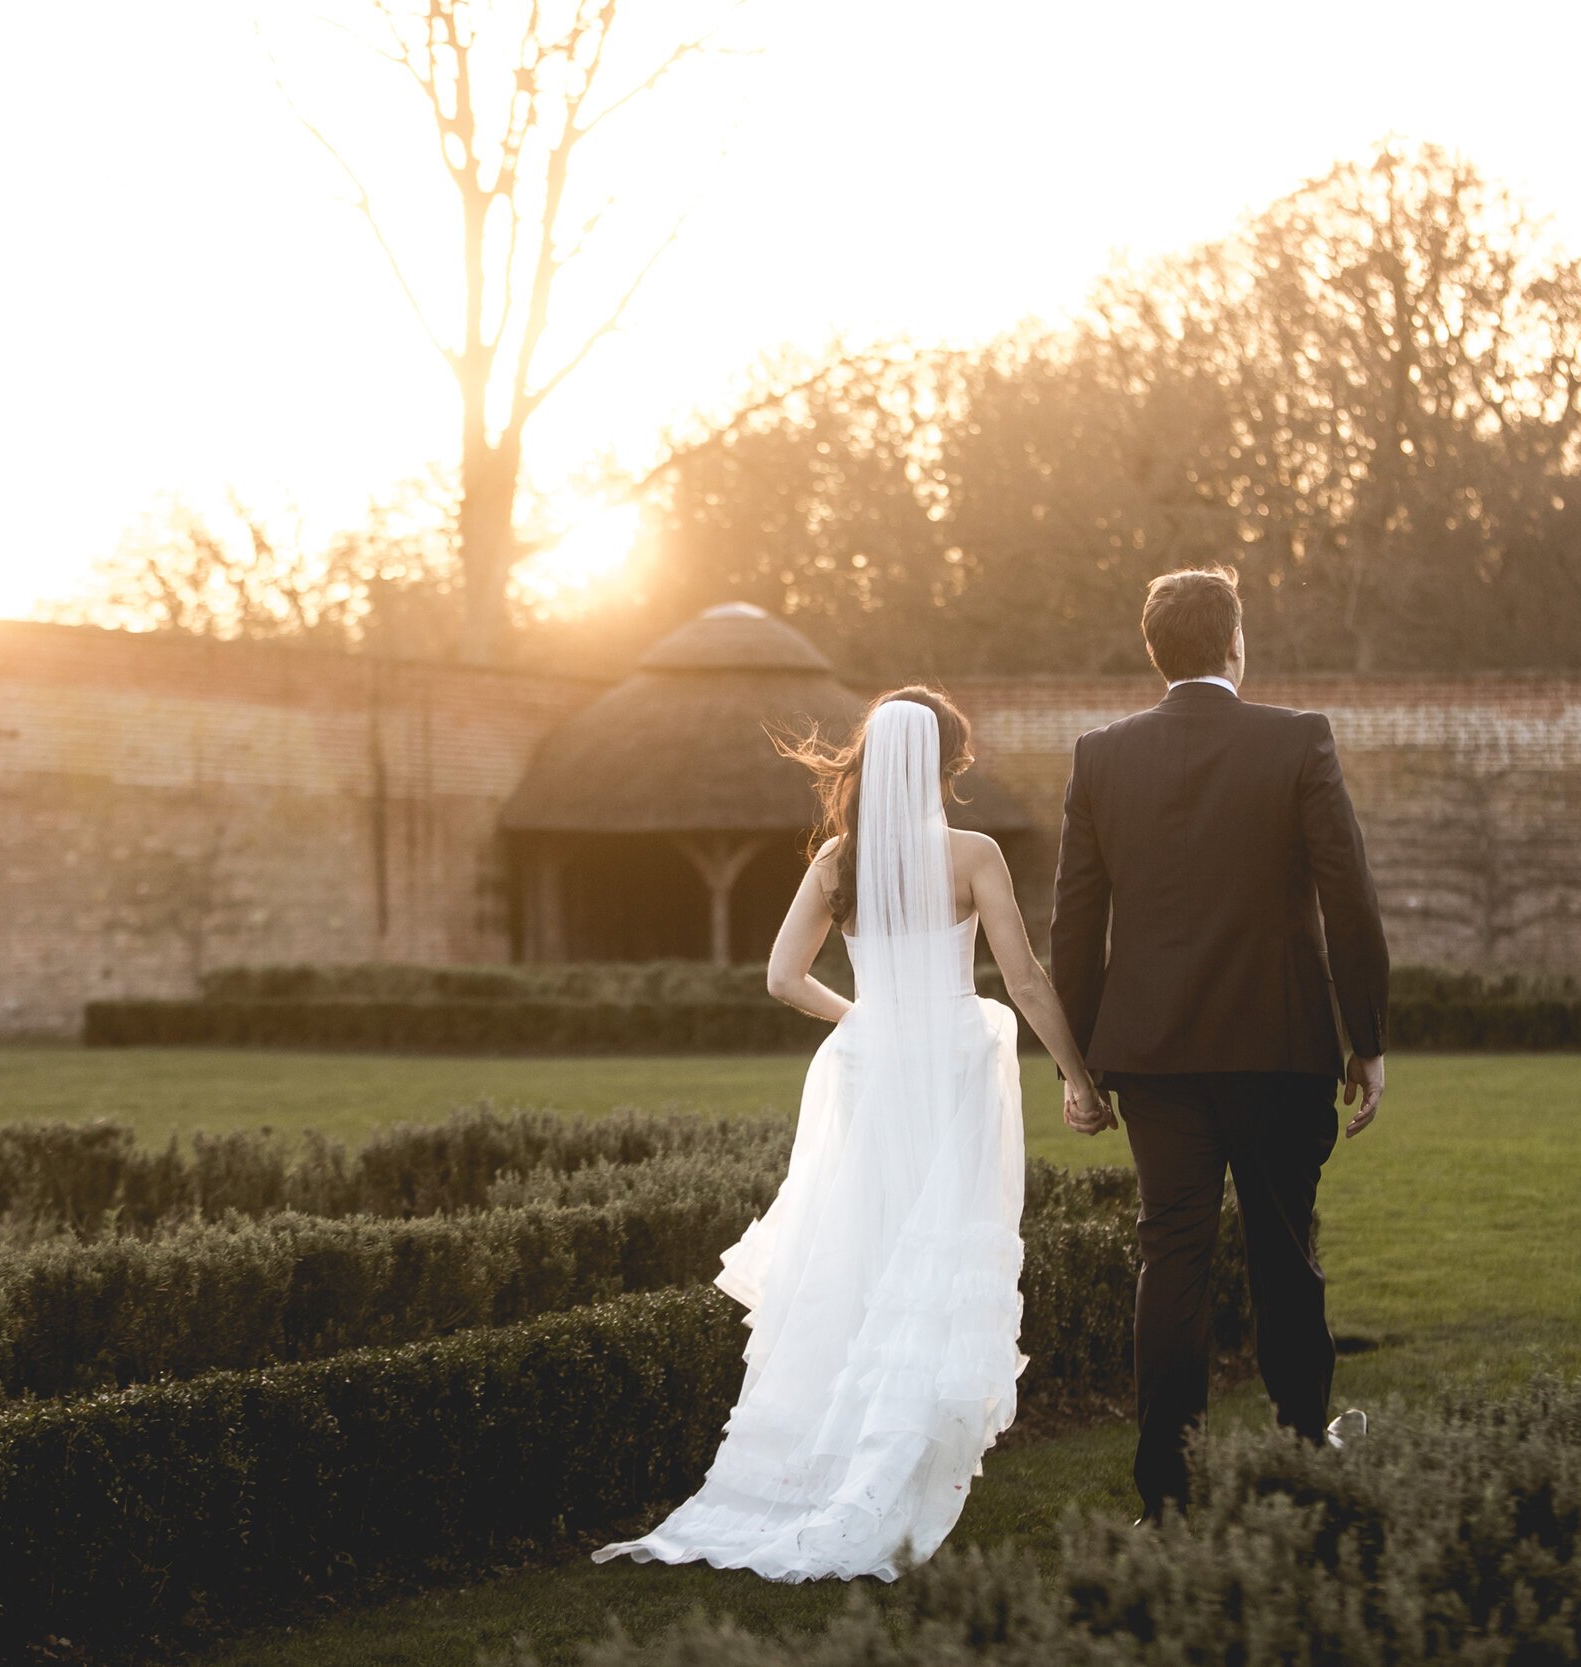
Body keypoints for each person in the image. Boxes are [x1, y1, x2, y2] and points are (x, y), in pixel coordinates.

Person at [593, 686, 1106, 1583]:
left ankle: (818, 1463)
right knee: (933, 1251)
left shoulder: (840, 860)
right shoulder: (972, 852)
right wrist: (1078, 1075)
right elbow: (1023, 980)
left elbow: (782, 978)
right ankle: (886, 1464)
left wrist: (861, 1020)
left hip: (872, 1064)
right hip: (950, 1060)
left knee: (859, 1251)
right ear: (949, 761)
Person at [1050, 564, 1391, 1518]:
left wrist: (1079, 1064)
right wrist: (1366, 1038)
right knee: (1286, 1253)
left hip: (1152, 1057)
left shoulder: (1099, 756)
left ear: (1155, 652)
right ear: (1237, 646)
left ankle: (1164, 1484)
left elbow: (1073, 926)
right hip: (1280, 1044)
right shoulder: (1298, 739)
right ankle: (1299, 1451)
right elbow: (1349, 897)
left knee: (1173, 1260)